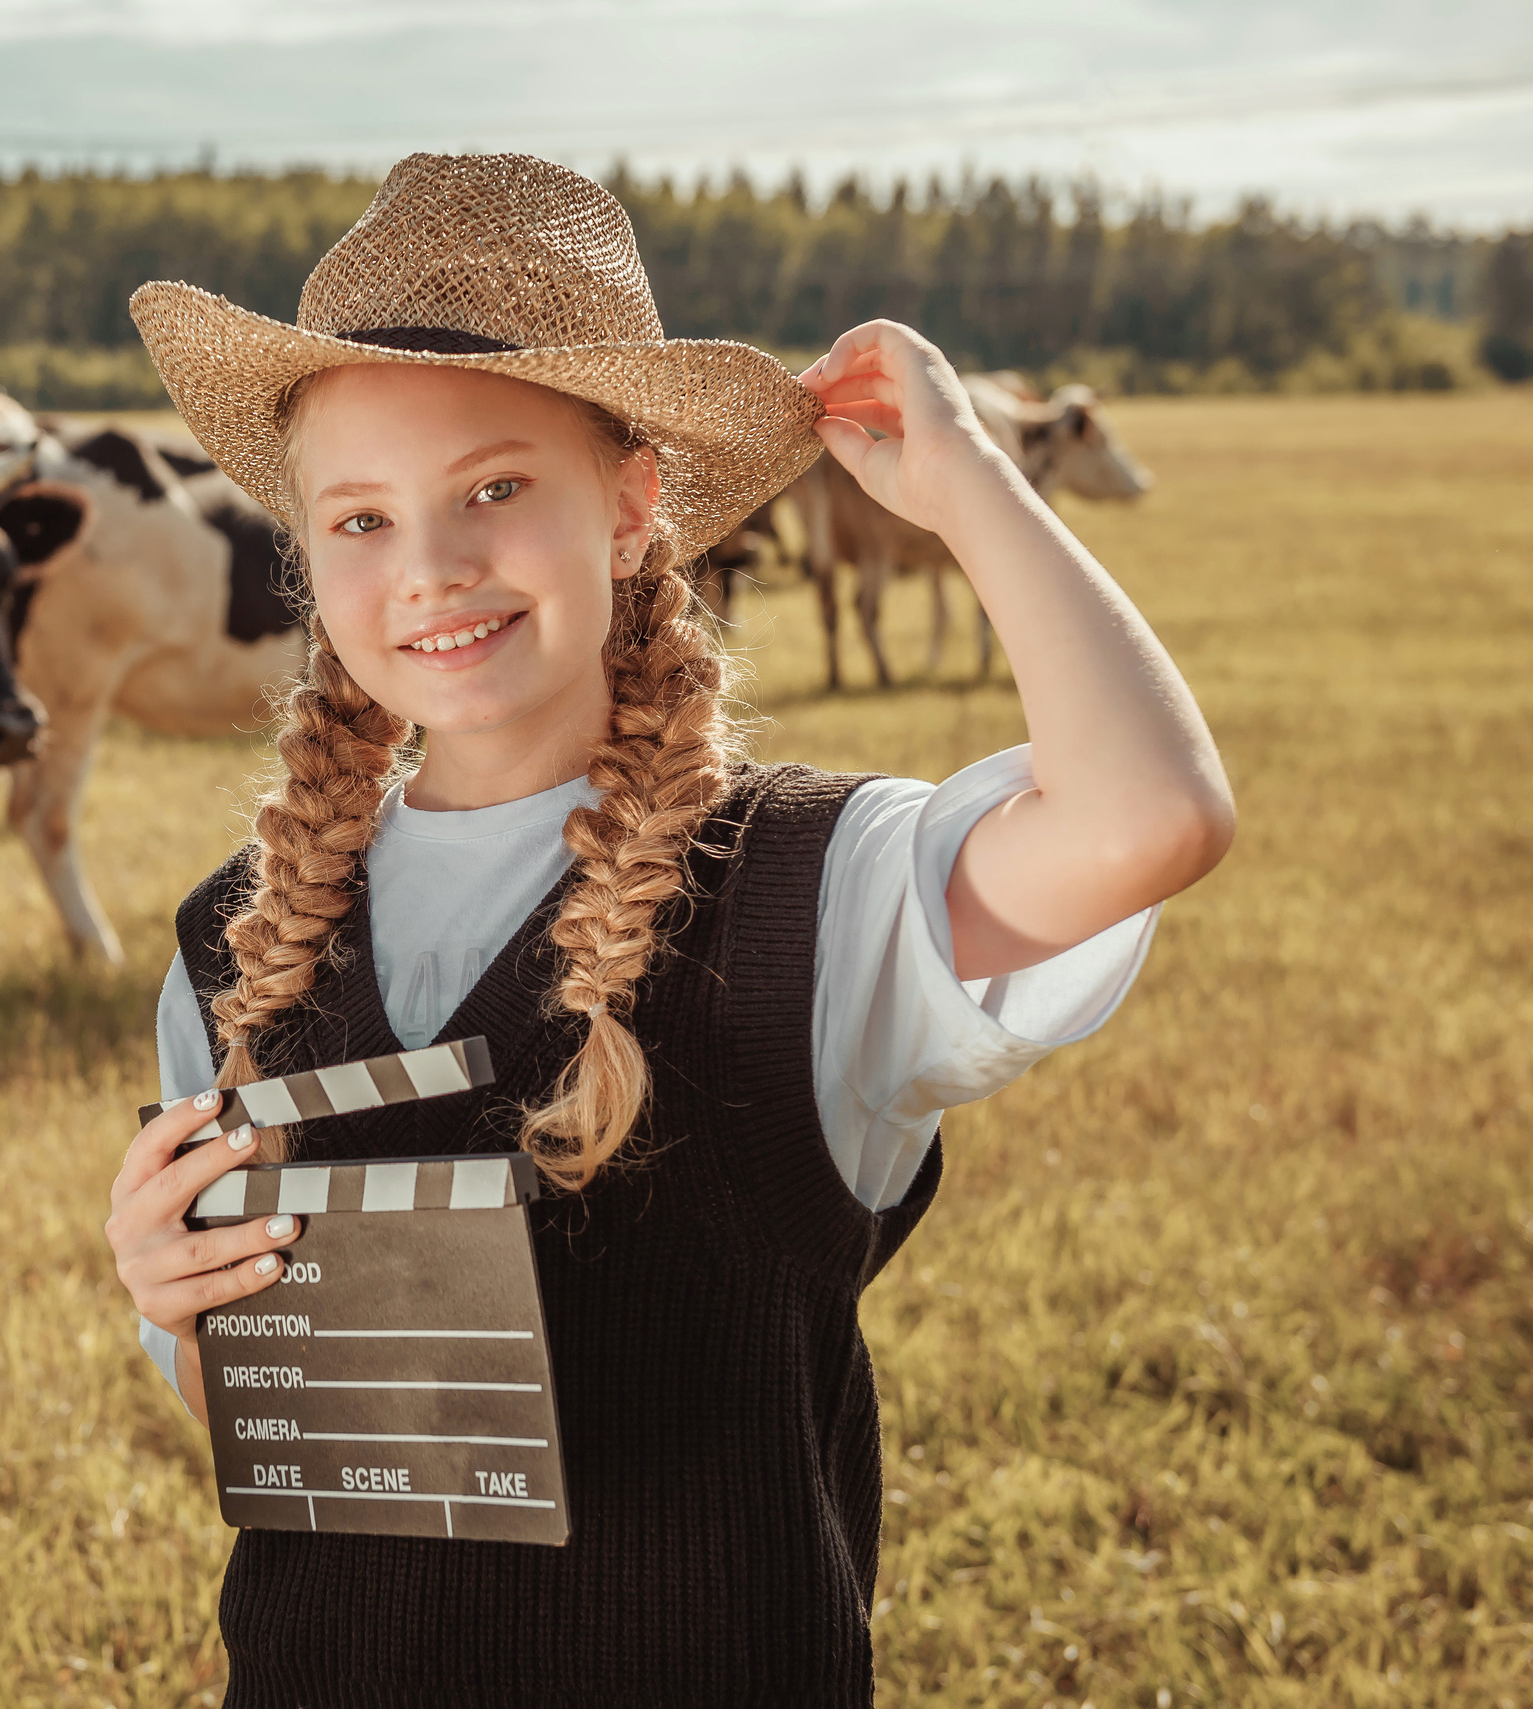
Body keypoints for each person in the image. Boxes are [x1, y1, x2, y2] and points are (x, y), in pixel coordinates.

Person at [103, 153, 1232, 1707]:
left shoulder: (812, 894)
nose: (429, 565)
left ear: (634, 508)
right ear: (307, 548)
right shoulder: (235, 940)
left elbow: (1151, 817)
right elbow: (289, 1419)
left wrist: (971, 479)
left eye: (496, 487)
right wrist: (175, 1306)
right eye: (360, 517)